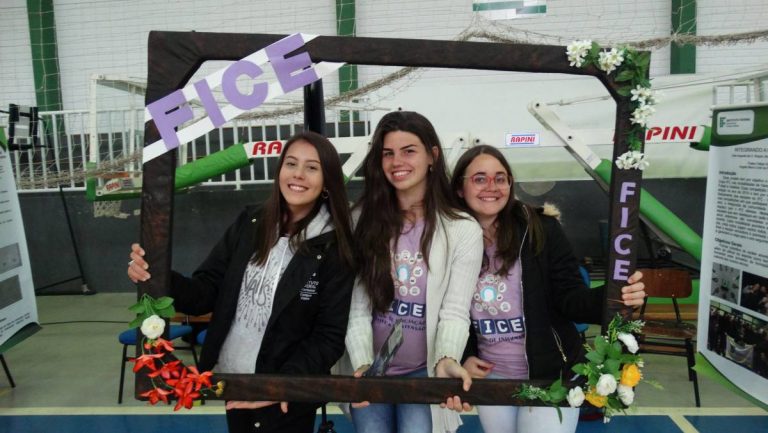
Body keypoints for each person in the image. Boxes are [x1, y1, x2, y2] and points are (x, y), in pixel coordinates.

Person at [127, 131, 356, 433]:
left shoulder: (334, 246)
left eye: (312, 167)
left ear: (327, 182)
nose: (298, 174)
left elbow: (328, 337)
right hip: (234, 382)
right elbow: (205, 293)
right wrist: (156, 276)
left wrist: (279, 386)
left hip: (285, 396)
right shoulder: (250, 222)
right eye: (291, 164)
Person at [446, 145, 646, 433]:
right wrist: (464, 355)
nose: (491, 186)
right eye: (479, 178)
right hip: (490, 376)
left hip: (550, 376)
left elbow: (571, 298)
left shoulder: (541, 228)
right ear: (459, 188)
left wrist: (616, 296)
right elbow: (447, 309)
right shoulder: (449, 239)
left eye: (500, 178)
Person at [344, 111, 484, 433]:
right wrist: (364, 365)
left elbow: (454, 310)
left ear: (432, 156)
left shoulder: (462, 229)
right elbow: (356, 307)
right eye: (388, 153)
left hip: (424, 370)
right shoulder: (361, 220)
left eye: (409, 151)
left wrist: (446, 358)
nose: (397, 162)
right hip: (371, 370)